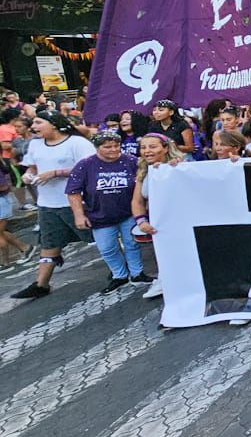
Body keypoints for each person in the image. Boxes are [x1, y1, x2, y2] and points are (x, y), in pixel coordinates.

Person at [10, 113, 96, 299]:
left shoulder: (77, 143)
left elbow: (92, 167)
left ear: (55, 125)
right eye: (33, 122)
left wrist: (57, 173)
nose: (34, 126)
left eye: (39, 122)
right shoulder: (35, 144)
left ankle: (125, 271)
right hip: (47, 204)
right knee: (49, 243)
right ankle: (41, 284)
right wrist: (28, 175)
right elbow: (32, 166)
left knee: (99, 238)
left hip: (76, 202)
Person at [65, 131, 146, 294]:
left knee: (132, 243)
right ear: (97, 148)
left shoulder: (131, 161)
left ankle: (137, 273)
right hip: (99, 215)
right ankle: (119, 275)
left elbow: (147, 174)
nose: (113, 150)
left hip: (128, 212)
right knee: (107, 248)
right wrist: (79, 215)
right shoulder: (85, 165)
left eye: (117, 146)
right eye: (107, 147)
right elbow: (73, 192)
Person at [131, 133, 184, 300]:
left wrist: (175, 170)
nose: (147, 151)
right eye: (143, 147)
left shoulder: (182, 165)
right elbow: (137, 200)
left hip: (182, 220)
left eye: (152, 147)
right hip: (159, 222)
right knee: (164, 254)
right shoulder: (143, 170)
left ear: (165, 148)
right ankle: (164, 280)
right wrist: (141, 221)